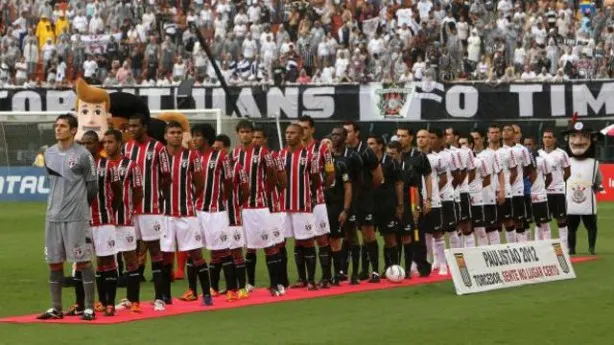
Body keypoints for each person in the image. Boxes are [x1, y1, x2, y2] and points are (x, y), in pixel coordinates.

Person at [38, 114, 98, 321]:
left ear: (73, 130)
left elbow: (92, 186)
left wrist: (80, 206)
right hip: (53, 216)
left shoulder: (83, 155)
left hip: (76, 217)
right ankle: (56, 308)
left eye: (63, 126)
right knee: (54, 263)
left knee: (82, 261)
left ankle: (89, 307)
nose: (58, 129)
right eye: (57, 126)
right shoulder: (49, 153)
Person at [161, 121, 213, 306]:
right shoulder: (159, 156)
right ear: (166, 135)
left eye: (178, 132)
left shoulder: (191, 156)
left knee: (196, 253)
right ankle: (165, 296)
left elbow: (200, 184)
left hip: (186, 213)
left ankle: (206, 294)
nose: (175, 135)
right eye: (172, 132)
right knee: (165, 256)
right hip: (165, 214)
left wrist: (188, 199)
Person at [122, 113, 171, 311]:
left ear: (144, 127)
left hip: (151, 209)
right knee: (131, 253)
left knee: (155, 252)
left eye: (135, 126)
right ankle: (132, 299)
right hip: (131, 210)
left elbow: (167, 176)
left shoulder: (157, 148)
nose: (131, 129)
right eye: (129, 127)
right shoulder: (126, 148)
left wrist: (157, 196)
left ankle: (160, 298)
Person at [231, 120, 284, 296]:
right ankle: (250, 283)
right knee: (248, 247)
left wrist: (263, 194)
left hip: (259, 207)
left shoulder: (263, 153)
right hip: (241, 208)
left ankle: (276, 284)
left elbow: (272, 177)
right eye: (242, 132)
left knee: (269, 245)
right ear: (238, 133)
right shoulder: (234, 154)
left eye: (248, 132)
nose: (245, 135)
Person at [190, 124, 239, 302]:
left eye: (198, 136)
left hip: (215, 211)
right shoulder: (191, 157)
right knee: (193, 249)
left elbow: (229, 182)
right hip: (196, 211)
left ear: (207, 138)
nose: (194, 139)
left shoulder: (221, 157)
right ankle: (193, 290)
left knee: (223, 251)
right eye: (193, 136)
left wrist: (220, 199)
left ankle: (232, 289)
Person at [80, 131, 122, 316]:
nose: (86, 146)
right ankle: (100, 301)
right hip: (84, 222)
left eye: (90, 143)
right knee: (90, 263)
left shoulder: (107, 166)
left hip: (104, 221)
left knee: (108, 261)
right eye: (83, 143)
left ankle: (110, 303)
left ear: (97, 145)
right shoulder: (78, 167)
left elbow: (118, 193)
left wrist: (109, 212)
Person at [103, 129, 144, 313]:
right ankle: (106, 302)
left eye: (110, 142)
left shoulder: (131, 165)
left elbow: (138, 192)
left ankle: (134, 300)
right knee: (106, 259)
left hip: (124, 220)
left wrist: (127, 209)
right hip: (104, 221)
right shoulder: (100, 164)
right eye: (104, 142)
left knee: (131, 260)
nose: (106, 145)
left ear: (119, 143)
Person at [279, 124, 321, 291]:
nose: (289, 136)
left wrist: (309, 194)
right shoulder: (280, 155)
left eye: (292, 133)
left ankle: (311, 280)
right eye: (287, 132)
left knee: (307, 240)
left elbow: (317, 179)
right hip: (283, 206)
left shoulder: (310, 155)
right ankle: (298, 278)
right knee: (285, 242)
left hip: (302, 204)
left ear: (301, 134)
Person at [343, 120, 382, 282]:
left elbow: (378, 177)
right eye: (343, 132)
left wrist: (364, 192)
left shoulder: (366, 152)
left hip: (363, 199)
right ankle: (349, 271)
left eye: (349, 132)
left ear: (356, 133)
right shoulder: (341, 151)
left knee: (368, 234)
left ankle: (374, 271)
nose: (346, 135)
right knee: (348, 235)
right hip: (346, 199)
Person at [298, 115, 334, 288]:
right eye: (299, 128)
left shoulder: (322, 148)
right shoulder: (293, 149)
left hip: (316, 200)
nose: (302, 131)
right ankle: (303, 278)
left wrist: (322, 188)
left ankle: (326, 277)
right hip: (298, 202)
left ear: (312, 129)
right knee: (301, 239)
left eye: (305, 128)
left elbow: (330, 172)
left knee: (321, 238)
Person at [214, 134, 251, 297]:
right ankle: (217, 288)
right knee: (217, 252)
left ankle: (241, 287)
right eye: (214, 148)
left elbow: (246, 188)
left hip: (233, 217)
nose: (216, 151)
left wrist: (237, 205)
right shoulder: (210, 165)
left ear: (227, 149)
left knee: (236, 252)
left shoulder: (237, 166)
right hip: (216, 217)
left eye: (219, 148)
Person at [253, 128, 289, 291]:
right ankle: (251, 283)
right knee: (252, 245)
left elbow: (283, 180)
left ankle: (281, 280)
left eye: (258, 137)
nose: (255, 140)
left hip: (272, 206)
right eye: (253, 137)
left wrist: (271, 192)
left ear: (265, 139)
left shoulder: (274, 156)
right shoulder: (243, 156)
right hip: (254, 207)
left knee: (277, 243)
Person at [396, 126, 431, 278]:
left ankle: (421, 264)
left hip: (414, 199)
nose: (400, 139)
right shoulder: (393, 155)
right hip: (397, 200)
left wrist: (428, 199)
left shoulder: (419, 156)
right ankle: (401, 266)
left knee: (417, 234)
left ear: (410, 138)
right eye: (398, 136)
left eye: (403, 136)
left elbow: (428, 177)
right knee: (397, 235)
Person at [367, 137, 403, 273]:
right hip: (370, 205)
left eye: (372, 143)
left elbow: (399, 184)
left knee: (390, 238)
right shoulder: (366, 161)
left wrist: (399, 205)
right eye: (368, 144)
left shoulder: (390, 162)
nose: (369, 146)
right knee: (368, 237)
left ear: (380, 146)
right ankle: (372, 270)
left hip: (387, 205)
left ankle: (392, 268)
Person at [326, 128, 353, 285]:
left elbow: (348, 187)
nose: (327, 147)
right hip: (320, 207)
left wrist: (345, 209)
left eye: (328, 144)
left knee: (336, 240)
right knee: (323, 241)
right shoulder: (316, 164)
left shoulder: (341, 164)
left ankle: (338, 273)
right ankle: (326, 274)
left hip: (336, 206)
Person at [418, 129, 446, 275]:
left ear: (430, 140)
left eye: (424, 137)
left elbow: (444, 177)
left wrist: (433, 192)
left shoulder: (437, 158)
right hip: (417, 201)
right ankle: (425, 263)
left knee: (437, 233)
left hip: (433, 201)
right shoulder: (412, 157)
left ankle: (442, 264)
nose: (421, 139)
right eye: (419, 137)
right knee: (422, 234)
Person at [538, 129, 570, 247]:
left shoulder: (561, 153)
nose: (547, 139)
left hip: (558, 191)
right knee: (542, 221)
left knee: (561, 220)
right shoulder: (538, 154)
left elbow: (567, 172)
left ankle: (564, 247)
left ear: (555, 139)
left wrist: (559, 183)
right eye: (545, 137)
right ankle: (546, 247)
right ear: (542, 139)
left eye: (550, 137)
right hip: (542, 192)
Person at [473, 128, 501, 245]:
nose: (475, 141)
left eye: (477, 138)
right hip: (474, 199)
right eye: (473, 139)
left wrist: (500, 190)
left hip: (488, 196)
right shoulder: (468, 156)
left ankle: (497, 253)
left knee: (492, 228)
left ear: (483, 139)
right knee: (477, 229)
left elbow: (499, 172)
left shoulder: (491, 154)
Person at [524, 137, 553, 240]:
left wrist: (542, 188)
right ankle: (536, 246)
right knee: (529, 224)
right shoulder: (521, 161)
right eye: (525, 145)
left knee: (543, 224)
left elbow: (549, 177)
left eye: (529, 144)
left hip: (540, 196)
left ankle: (548, 247)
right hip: (526, 196)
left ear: (535, 146)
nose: (527, 147)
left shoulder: (541, 160)